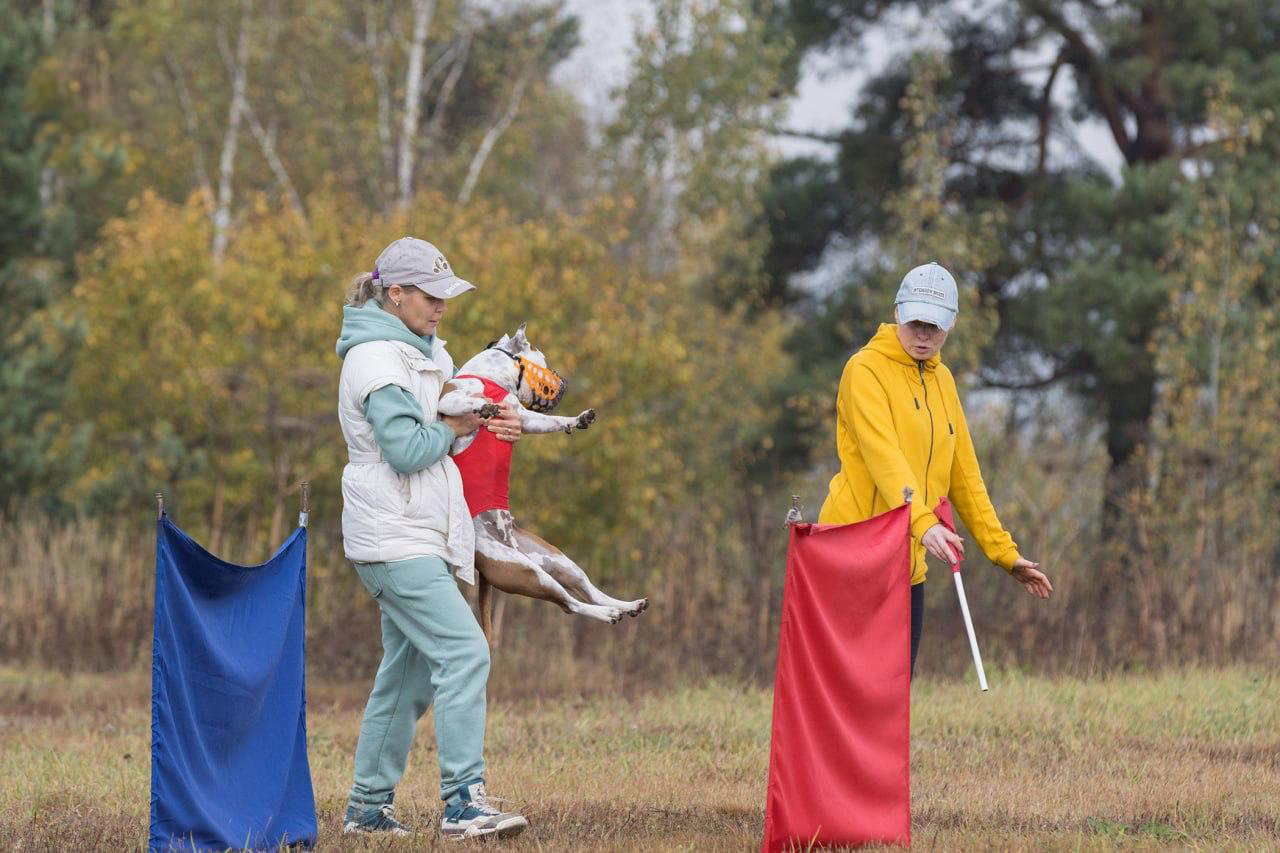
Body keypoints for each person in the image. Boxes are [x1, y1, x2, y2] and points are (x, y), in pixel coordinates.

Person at [335, 236, 528, 839]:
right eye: (430, 294)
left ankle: (367, 810)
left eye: (447, 294)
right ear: (394, 294)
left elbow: (443, 435)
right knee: (466, 652)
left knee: (410, 673)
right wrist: (449, 427)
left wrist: (492, 422)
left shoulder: (426, 353)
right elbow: (408, 448)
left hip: (415, 531)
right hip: (390, 537)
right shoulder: (374, 361)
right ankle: (463, 804)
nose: (442, 306)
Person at [818, 262, 1053, 676]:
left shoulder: (943, 381)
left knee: (894, 691)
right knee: (847, 691)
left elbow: (965, 476)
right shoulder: (864, 370)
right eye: (916, 323)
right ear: (897, 314)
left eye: (935, 325)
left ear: (952, 325)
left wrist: (1003, 553)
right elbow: (884, 458)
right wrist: (925, 524)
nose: (924, 335)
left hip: (907, 565)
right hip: (852, 556)